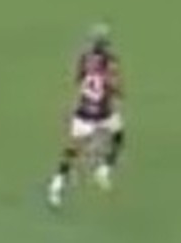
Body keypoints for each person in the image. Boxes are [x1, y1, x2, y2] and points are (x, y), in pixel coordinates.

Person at [48, 24, 126, 208]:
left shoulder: (84, 58)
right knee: (118, 136)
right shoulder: (111, 62)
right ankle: (104, 169)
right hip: (103, 114)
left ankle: (57, 183)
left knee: (73, 150)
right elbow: (115, 86)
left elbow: (79, 79)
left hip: (83, 113)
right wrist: (117, 90)